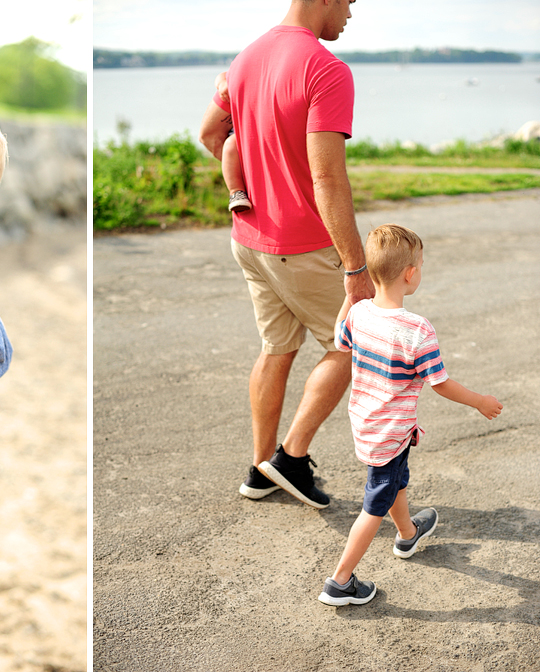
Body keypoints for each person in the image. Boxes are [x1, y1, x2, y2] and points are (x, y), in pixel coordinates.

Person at [199, 0, 374, 509]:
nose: (351, 11)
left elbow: (212, 135)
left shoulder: (246, 59)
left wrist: (258, 178)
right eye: (349, 0)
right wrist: (357, 268)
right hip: (301, 246)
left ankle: (259, 471)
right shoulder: (325, 68)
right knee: (355, 343)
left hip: (249, 239)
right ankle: (290, 459)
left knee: (277, 348)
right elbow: (327, 178)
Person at [318, 224, 502, 606]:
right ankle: (340, 580)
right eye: (420, 263)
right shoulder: (417, 330)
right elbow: (441, 383)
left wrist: (348, 297)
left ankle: (407, 534)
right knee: (375, 503)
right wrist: (479, 401)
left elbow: (339, 338)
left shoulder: (359, 314)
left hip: (368, 424)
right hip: (390, 429)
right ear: (411, 273)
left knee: (395, 478)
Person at [214, 72, 251, 213]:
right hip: (240, 133)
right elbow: (222, 75)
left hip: (258, 132)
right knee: (230, 145)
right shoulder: (240, 73)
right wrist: (223, 84)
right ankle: (236, 191)